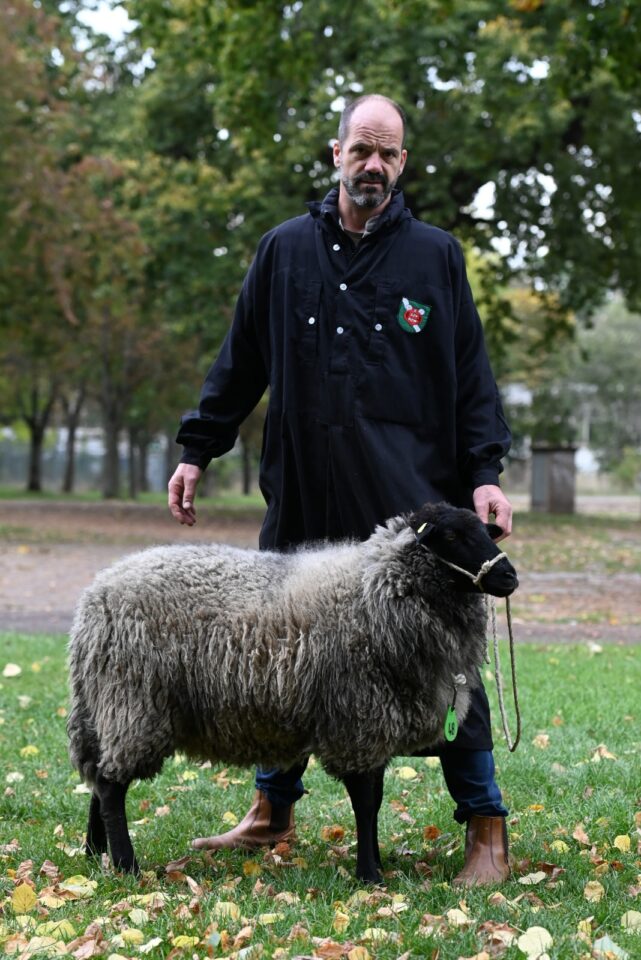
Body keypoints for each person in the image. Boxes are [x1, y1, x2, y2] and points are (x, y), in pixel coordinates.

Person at [168, 94, 513, 885]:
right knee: (284, 659)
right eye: (362, 148)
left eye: (388, 153)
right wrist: (197, 452)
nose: (373, 165)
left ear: (402, 164)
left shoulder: (434, 256)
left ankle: (485, 825)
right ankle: (270, 813)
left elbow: (471, 382)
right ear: (335, 153)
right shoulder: (284, 250)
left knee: (443, 664)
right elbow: (238, 366)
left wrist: (484, 475)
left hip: (405, 514)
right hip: (301, 499)